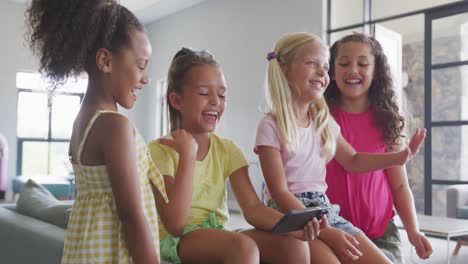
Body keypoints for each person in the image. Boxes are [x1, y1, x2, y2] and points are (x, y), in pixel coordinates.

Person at [254, 32, 426, 264]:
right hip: (291, 215)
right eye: (312, 63)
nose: (321, 72)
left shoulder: (323, 121)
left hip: (324, 209)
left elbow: (353, 160)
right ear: (284, 69)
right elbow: (279, 193)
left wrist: (399, 157)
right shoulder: (270, 125)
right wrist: (326, 232)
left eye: (325, 67)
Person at [149, 48, 325, 264]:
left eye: (222, 95)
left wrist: (291, 226)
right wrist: (187, 155)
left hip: (217, 232)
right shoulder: (159, 150)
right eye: (204, 93)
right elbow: (175, 224)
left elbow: (252, 208)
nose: (215, 101)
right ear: (176, 100)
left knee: (293, 243)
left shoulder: (227, 149)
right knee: (243, 247)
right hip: (178, 239)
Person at [26, 0, 169, 263]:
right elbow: (130, 215)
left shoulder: (83, 120)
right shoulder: (114, 125)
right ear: (105, 60)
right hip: (112, 253)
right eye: (140, 65)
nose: (146, 77)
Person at [324, 33, 433, 263]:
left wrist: (413, 231)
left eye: (363, 64)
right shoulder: (322, 118)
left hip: (381, 234)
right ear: (332, 71)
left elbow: (400, 185)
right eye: (344, 63)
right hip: (334, 233)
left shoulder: (387, 121)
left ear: (376, 72)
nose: (353, 69)